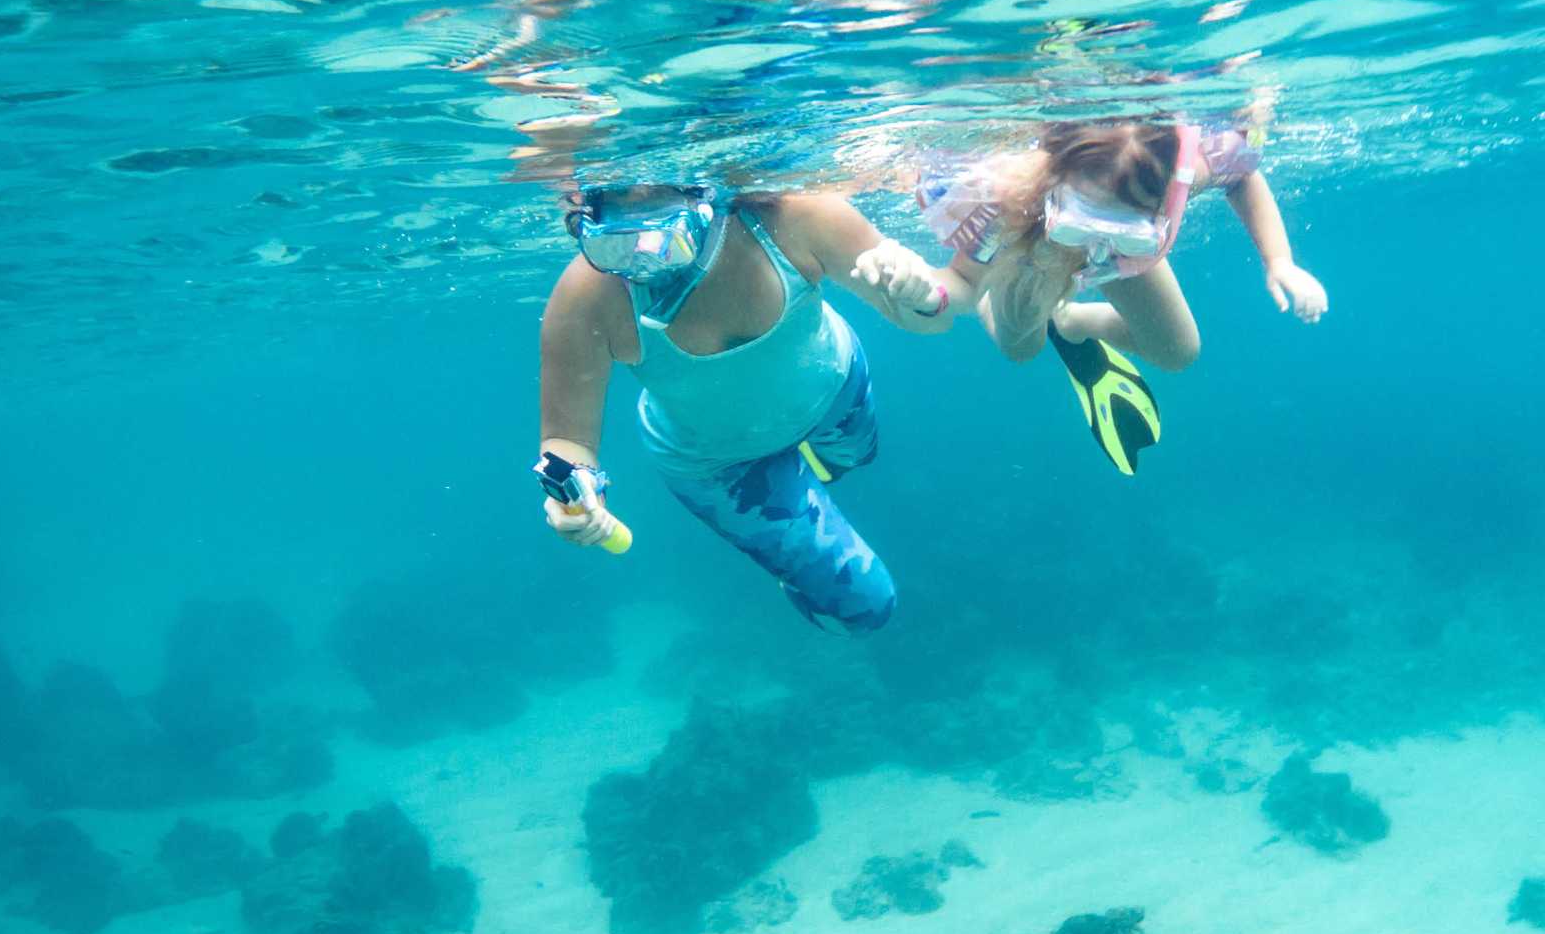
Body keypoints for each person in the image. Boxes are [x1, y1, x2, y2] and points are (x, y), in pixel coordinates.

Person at [535, 182, 970, 634]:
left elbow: (935, 321)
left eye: (664, 235)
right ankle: (795, 563)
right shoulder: (586, 298)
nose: (643, 260)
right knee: (865, 608)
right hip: (718, 466)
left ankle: (811, 485)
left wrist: (922, 295)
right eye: (615, 243)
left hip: (834, 391)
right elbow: (566, 441)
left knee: (856, 459)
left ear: (706, 199)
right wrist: (574, 492)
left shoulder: (797, 216)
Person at [869, 112, 1325, 475]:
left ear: (1163, 199)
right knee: (1021, 348)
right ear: (1051, 184)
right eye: (1080, 226)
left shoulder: (1171, 174)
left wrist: (1279, 261)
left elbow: (1241, 178)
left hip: (1120, 265)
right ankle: (1026, 300)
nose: (1092, 246)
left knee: (1178, 351)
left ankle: (1068, 322)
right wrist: (926, 290)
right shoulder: (1004, 199)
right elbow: (964, 284)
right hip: (1031, 254)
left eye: (1126, 231)